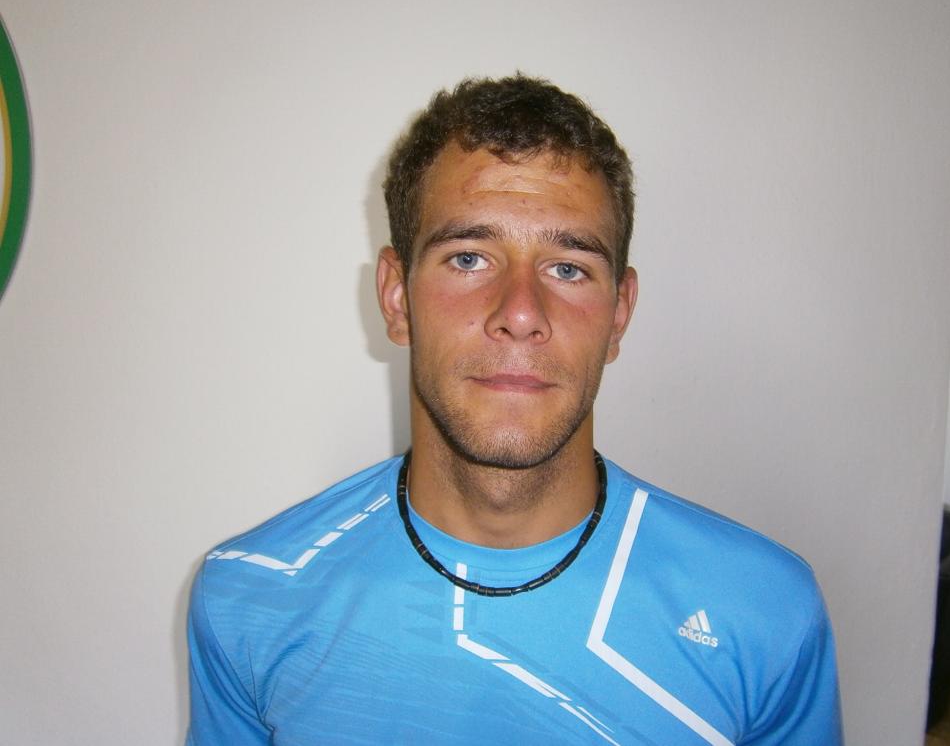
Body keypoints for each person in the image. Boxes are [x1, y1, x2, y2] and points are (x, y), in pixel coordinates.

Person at [186, 74, 842, 746]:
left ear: (618, 314)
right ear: (396, 298)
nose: (521, 313)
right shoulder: (250, 596)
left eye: (568, 268)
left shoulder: (764, 613)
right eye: (469, 258)